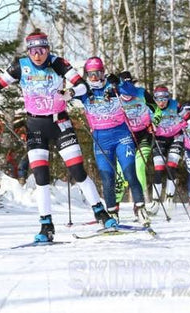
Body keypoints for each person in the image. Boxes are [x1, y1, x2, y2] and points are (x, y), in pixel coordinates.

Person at [0, 29, 116, 242]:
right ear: (29, 51)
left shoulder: (58, 63)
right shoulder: (21, 66)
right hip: (35, 125)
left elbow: (82, 86)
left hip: (60, 121)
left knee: (77, 170)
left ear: (48, 49)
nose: (38, 54)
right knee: (41, 176)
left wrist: (70, 92)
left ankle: (101, 214)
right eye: (34, 50)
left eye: (42, 49)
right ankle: (46, 226)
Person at [75, 57, 151, 226]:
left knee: (129, 173)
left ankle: (140, 209)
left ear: (103, 72)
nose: (95, 78)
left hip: (121, 136)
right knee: (107, 178)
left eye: (98, 73)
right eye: (91, 75)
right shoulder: (85, 90)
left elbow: (134, 92)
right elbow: (67, 95)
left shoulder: (113, 86)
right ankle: (112, 214)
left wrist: (119, 83)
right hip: (101, 140)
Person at [114, 71, 162, 220]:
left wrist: (154, 123)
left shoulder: (141, 93)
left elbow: (157, 109)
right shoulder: (114, 97)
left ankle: (138, 205)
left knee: (139, 166)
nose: (129, 95)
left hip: (144, 134)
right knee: (121, 171)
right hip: (126, 136)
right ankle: (114, 207)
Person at [147, 85, 187, 214]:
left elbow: (187, 117)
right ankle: (155, 202)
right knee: (158, 169)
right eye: (158, 100)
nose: (161, 103)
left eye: (164, 99)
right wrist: (149, 128)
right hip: (160, 139)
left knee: (171, 167)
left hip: (176, 138)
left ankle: (169, 199)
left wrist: (186, 122)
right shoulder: (152, 108)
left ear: (168, 98)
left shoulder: (175, 105)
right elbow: (145, 123)